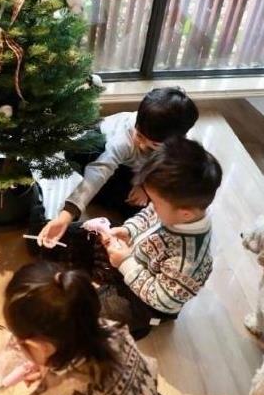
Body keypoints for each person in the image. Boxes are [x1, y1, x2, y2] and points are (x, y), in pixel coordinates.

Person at [94, 136, 222, 339]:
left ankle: (142, 324)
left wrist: (125, 263)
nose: (150, 205)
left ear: (185, 214)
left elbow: (161, 299)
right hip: (136, 263)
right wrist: (128, 231)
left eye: (155, 202)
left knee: (93, 316)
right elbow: (146, 215)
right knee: (91, 234)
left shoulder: (188, 260)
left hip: (149, 304)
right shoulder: (173, 210)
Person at [38, 87, 199, 247]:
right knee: (82, 157)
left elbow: (167, 168)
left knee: (152, 201)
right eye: (139, 135)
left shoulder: (177, 144)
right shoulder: (124, 139)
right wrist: (66, 215)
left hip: (131, 168)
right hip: (100, 150)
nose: (141, 145)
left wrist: (144, 186)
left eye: (153, 145)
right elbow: (100, 169)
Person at [3, 261, 162, 395]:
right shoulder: (114, 330)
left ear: (39, 347)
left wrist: (50, 381)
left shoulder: (53, 394)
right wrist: (48, 369)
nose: (15, 345)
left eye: (18, 342)